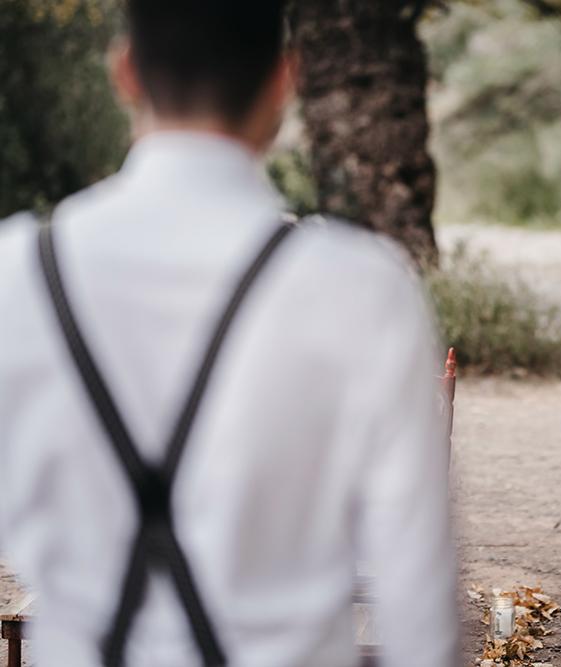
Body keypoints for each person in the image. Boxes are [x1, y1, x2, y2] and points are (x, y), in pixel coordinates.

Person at [0, 1, 458, 665]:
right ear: (285, 79)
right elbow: (416, 588)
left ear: (124, 71)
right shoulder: (362, 286)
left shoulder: (16, 277)